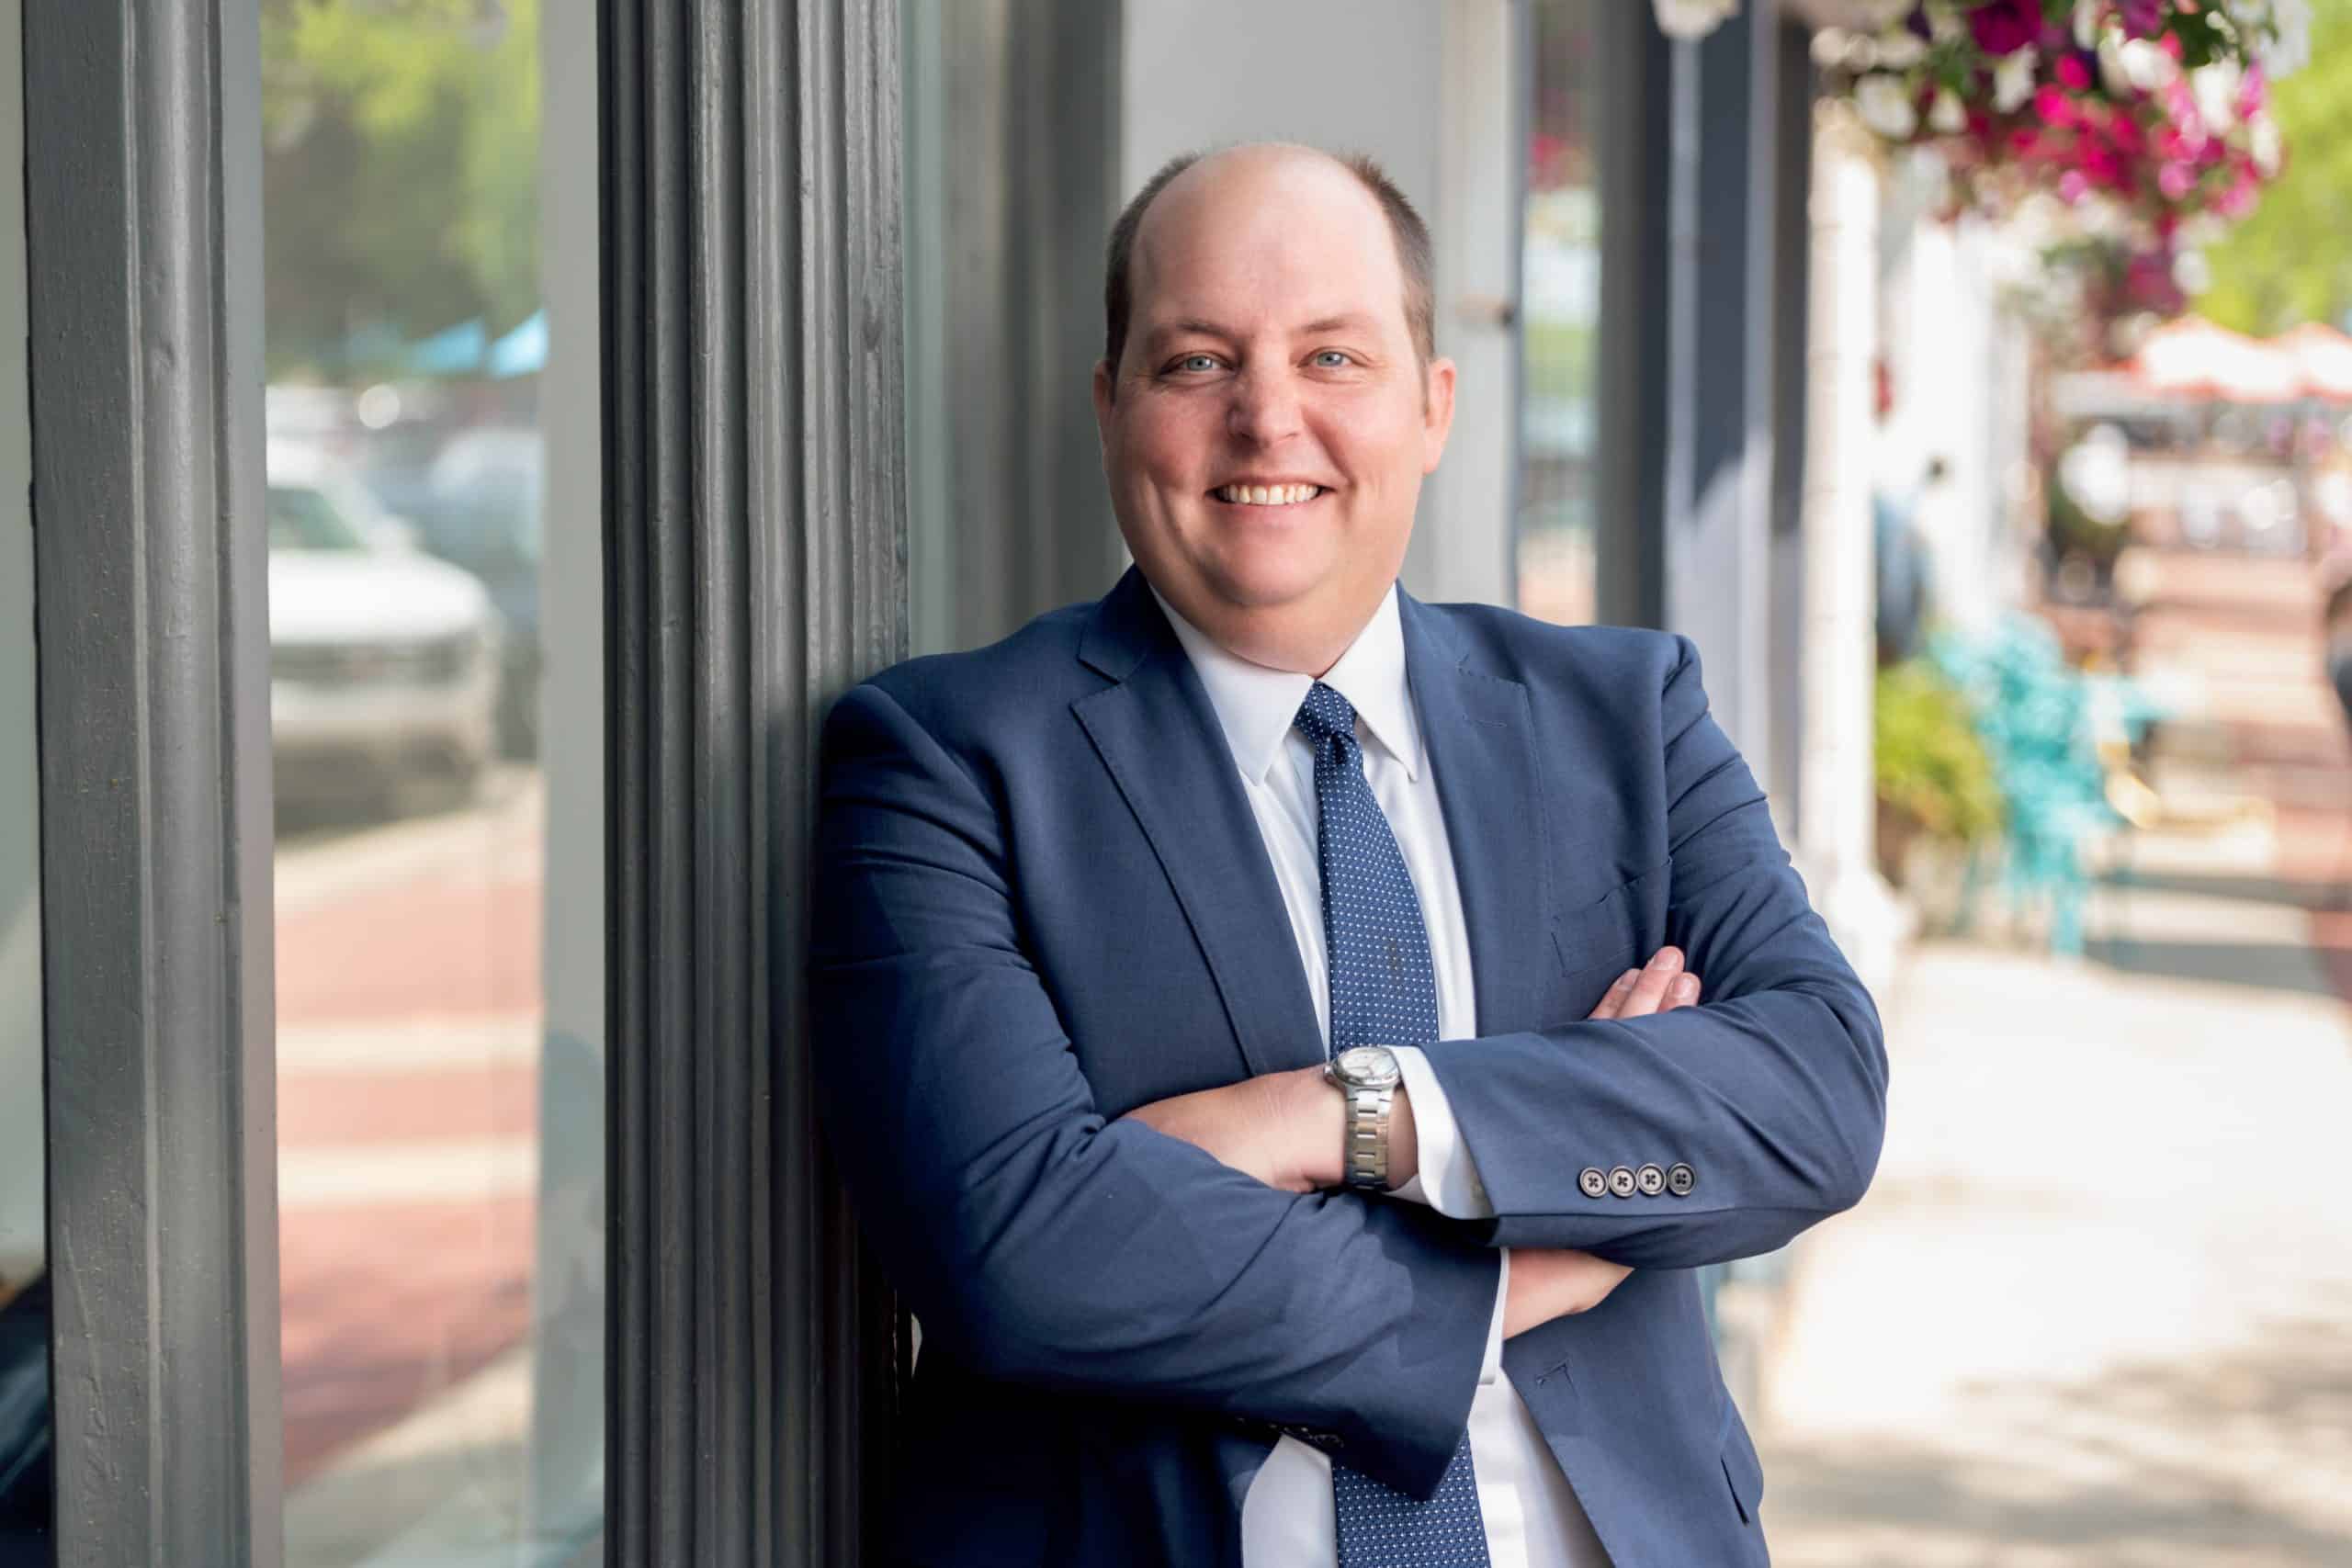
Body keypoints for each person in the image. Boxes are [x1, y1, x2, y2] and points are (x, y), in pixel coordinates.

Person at [811, 143, 1887, 1567]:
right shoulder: (943, 759)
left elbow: (1817, 1094)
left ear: (1433, 407)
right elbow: (1026, 1257)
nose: (1269, 421)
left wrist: (1341, 1118)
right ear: (1109, 405)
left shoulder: (1623, 717)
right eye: (1197, 362)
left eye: (1334, 357)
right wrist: (1521, 1257)